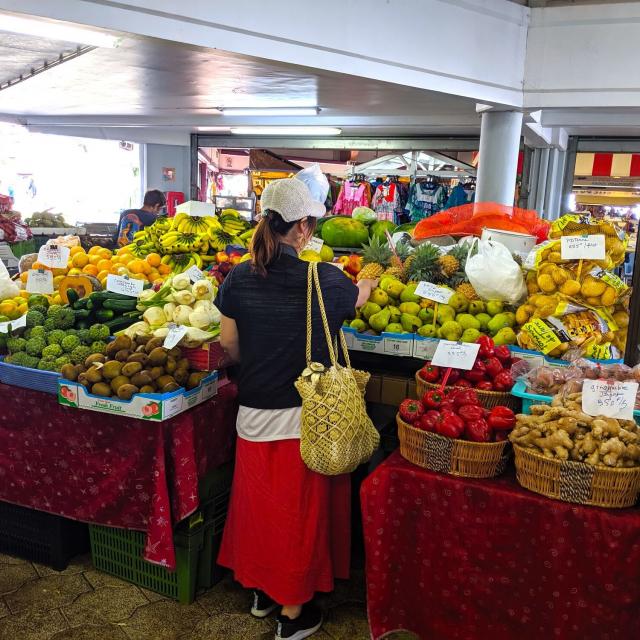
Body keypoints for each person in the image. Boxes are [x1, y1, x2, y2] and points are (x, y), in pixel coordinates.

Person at [215, 178, 378, 640]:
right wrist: (364, 283)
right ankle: (293, 611)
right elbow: (356, 301)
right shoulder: (323, 277)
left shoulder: (239, 276)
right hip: (307, 414)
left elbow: (229, 343)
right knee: (296, 514)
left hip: (254, 410)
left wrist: (260, 364)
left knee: (258, 507)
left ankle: (262, 592)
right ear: (303, 227)